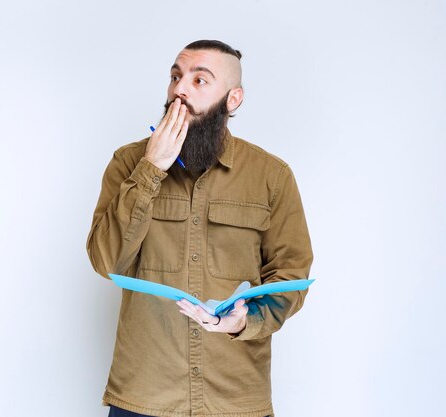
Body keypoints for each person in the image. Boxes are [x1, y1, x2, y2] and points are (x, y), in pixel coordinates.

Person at [86, 39, 314, 417]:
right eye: (175, 76)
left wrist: (247, 320)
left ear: (233, 99)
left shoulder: (272, 176)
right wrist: (151, 170)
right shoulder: (129, 162)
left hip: (236, 399)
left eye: (199, 80)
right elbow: (106, 261)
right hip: (145, 396)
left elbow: (290, 274)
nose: (180, 89)